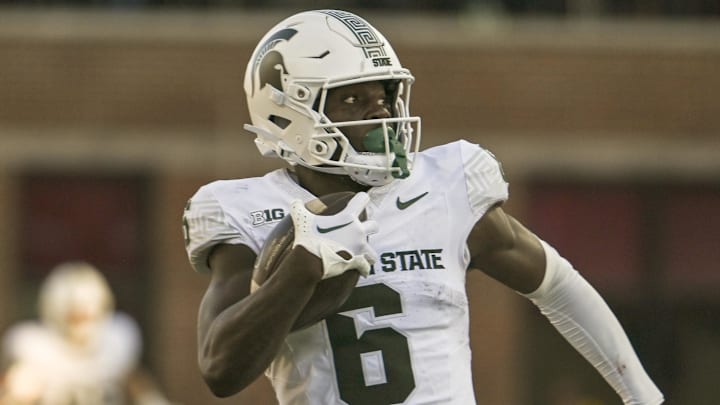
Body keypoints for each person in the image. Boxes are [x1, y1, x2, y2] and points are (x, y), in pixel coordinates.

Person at [182, 9, 664, 404]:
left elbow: (557, 285)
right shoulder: (250, 210)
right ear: (288, 112)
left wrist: (643, 396)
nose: (383, 114)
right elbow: (220, 369)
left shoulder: (444, 186)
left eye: (386, 95)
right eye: (354, 98)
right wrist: (300, 271)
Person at [0, 261, 177, 405]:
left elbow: (137, 385)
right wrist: (17, 394)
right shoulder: (34, 349)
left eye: (86, 317)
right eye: (74, 318)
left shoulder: (115, 342)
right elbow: (14, 394)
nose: (81, 325)